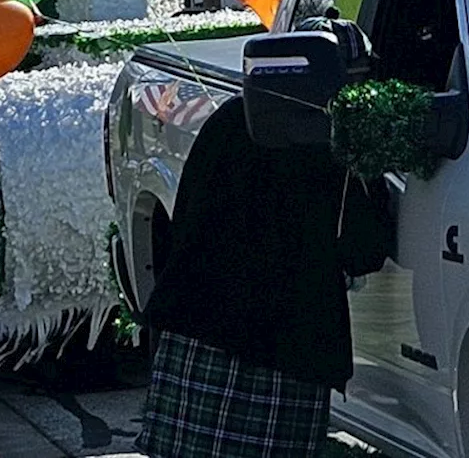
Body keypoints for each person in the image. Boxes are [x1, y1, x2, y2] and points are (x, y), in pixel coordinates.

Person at [136, 83, 394, 457]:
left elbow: (185, 217)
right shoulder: (338, 140)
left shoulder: (228, 117)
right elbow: (362, 251)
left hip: (197, 332)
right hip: (287, 352)